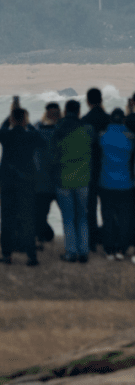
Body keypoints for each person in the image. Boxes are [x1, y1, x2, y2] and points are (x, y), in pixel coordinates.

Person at [0, 100, 43, 266]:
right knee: (28, 217)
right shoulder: (31, 135)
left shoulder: (5, 135)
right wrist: (28, 125)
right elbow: (41, 140)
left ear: (12, 120)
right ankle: (31, 256)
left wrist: (9, 119)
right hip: (27, 180)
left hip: (6, 179)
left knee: (6, 217)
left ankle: (7, 255)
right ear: (24, 120)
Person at [51, 98, 95, 262]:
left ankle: (71, 252)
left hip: (64, 180)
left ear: (65, 110)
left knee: (68, 217)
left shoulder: (58, 129)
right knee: (82, 216)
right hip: (83, 179)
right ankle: (84, 252)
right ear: (78, 111)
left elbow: (53, 154)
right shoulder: (88, 129)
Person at [98, 110, 135, 261]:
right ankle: (121, 249)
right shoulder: (131, 137)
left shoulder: (102, 136)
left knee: (107, 218)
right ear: (123, 120)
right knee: (124, 218)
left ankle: (109, 250)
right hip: (126, 183)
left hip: (106, 183)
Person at [83, 87, 110, 252]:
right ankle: (107, 238)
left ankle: (91, 240)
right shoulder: (108, 119)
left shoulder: (85, 120)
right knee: (106, 207)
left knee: (90, 206)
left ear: (88, 101)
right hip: (106, 167)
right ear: (101, 100)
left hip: (90, 168)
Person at [34, 102, 61, 244]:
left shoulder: (36, 128)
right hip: (60, 179)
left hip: (41, 179)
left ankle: (41, 238)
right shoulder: (62, 130)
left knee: (40, 214)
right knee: (70, 215)